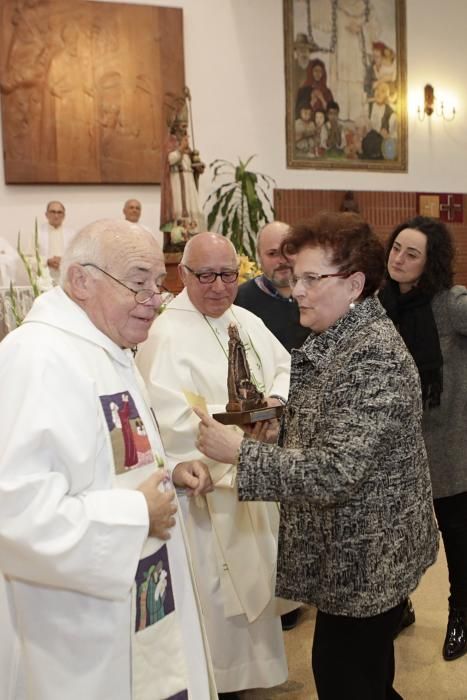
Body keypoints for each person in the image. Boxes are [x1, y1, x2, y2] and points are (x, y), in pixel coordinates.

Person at [194, 213, 439, 700]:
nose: (296, 290)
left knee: (348, 679)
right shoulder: (340, 333)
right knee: (359, 675)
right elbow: (335, 423)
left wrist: (243, 454)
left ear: (352, 284)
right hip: (354, 551)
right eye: (294, 277)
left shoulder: (373, 356)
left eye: (310, 278)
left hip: (369, 556)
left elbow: (336, 472)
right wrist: (280, 430)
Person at [0, 219, 217, 700]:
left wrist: (169, 477)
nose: (155, 299)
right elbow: (16, 514)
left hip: (134, 606)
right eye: (138, 284)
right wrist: (137, 512)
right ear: (81, 281)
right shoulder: (38, 358)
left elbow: (112, 460)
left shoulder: (107, 348)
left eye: (158, 285)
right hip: (77, 631)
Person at [136, 232, 292, 699]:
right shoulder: (162, 332)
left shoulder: (246, 319)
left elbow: (282, 368)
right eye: (206, 275)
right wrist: (223, 449)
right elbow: (164, 415)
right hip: (205, 492)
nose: (219, 286)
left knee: (255, 590)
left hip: (251, 476)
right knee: (215, 601)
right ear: (182, 275)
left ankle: (252, 681)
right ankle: (217, 686)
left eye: (228, 274)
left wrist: (274, 405)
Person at [379, 216, 467, 662]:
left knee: (458, 538)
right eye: (397, 248)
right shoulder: (379, 303)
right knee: (397, 539)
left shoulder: (451, 304)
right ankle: (400, 608)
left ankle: (461, 615)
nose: (399, 258)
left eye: (411, 253)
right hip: (395, 448)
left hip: (448, 445)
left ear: (429, 262)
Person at [235, 221, 309, 351]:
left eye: (289, 250)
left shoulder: (316, 294)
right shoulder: (240, 300)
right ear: (259, 257)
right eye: (272, 254)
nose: (282, 260)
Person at [37, 200, 75, 282]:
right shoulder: (37, 233)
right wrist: (47, 261)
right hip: (44, 278)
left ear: (64, 215)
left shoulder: (72, 234)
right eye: (52, 212)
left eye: (59, 212)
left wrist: (64, 260)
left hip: (65, 277)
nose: (56, 215)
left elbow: (77, 256)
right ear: (46, 214)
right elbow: (29, 257)